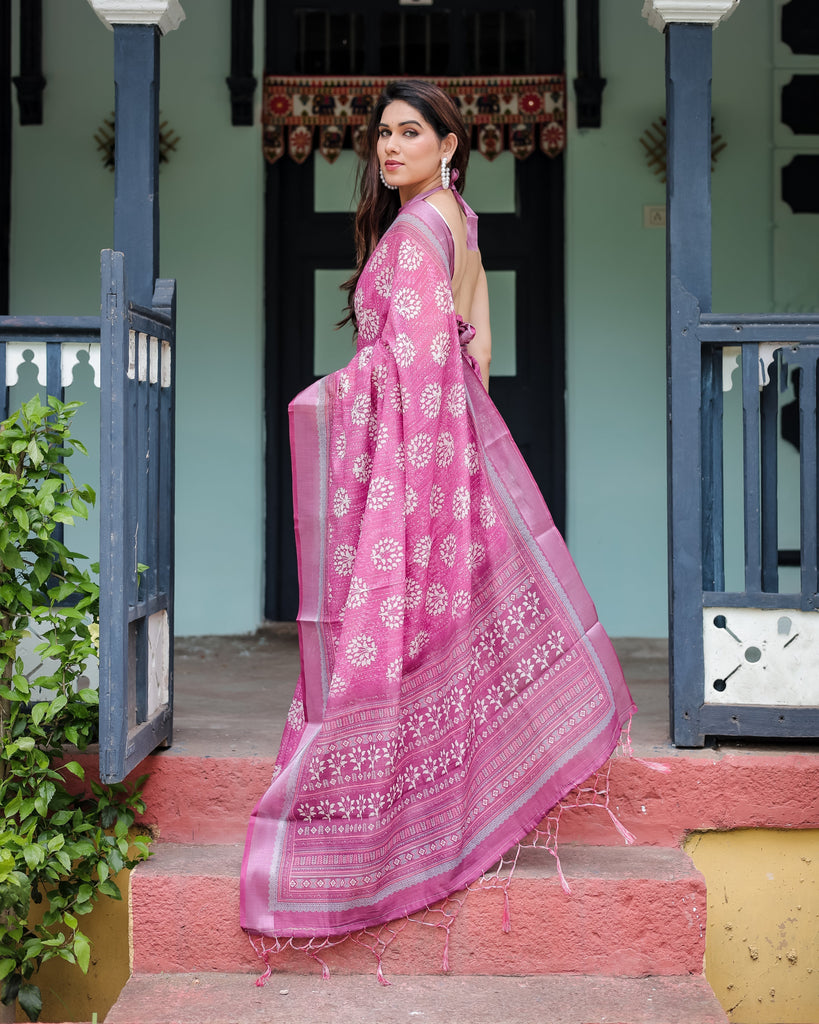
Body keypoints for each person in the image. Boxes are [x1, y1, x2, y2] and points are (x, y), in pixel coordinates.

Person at [241, 80, 635, 960]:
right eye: (382, 134)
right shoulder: (455, 218)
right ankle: (468, 794)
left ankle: (395, 832)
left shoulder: (416, 233)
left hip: (413, 456)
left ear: (448, 145)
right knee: (458, 619)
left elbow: (415, 369)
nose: (389, 148)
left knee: (399, 630)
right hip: (445, 443)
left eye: (410, 133)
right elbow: (472, 335)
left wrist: (335, 395)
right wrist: (467, 366)